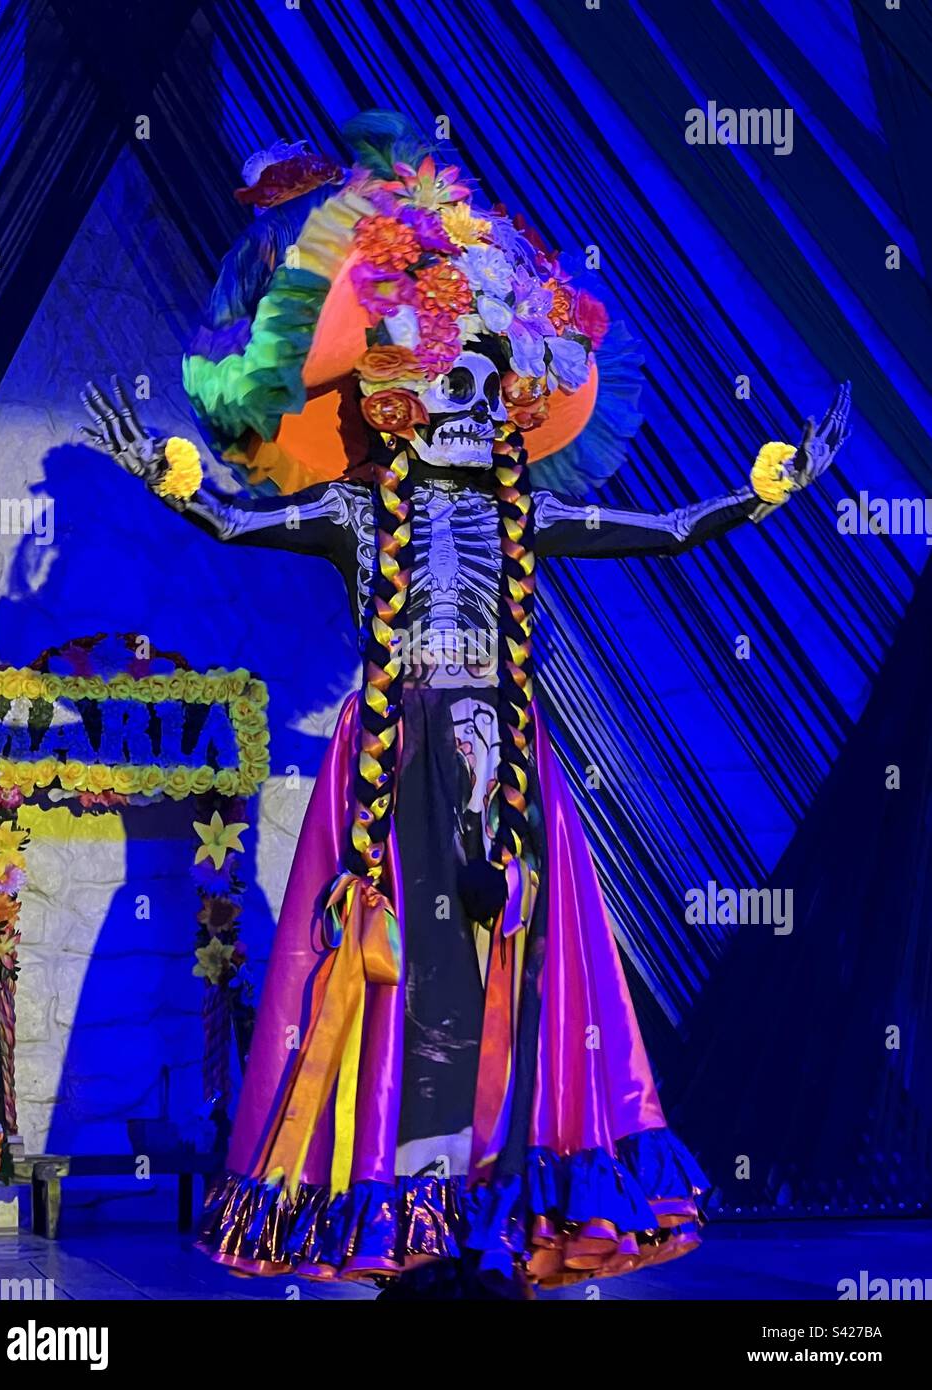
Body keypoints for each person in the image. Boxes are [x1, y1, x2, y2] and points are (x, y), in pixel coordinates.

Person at [82, 111, 850, 1297]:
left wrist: (761, 493)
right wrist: (166, 474)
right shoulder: (358, 515)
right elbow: (243, 520)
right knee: (400, 965)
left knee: (512, 965)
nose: (456, 399)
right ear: (395, 392)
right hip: (398, 755)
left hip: (504, 757)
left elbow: (656, 532)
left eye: (478, 381)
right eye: (436, 377)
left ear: (502, 401)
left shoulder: (521, 518)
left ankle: (492, 1190)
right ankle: (396, 1201)